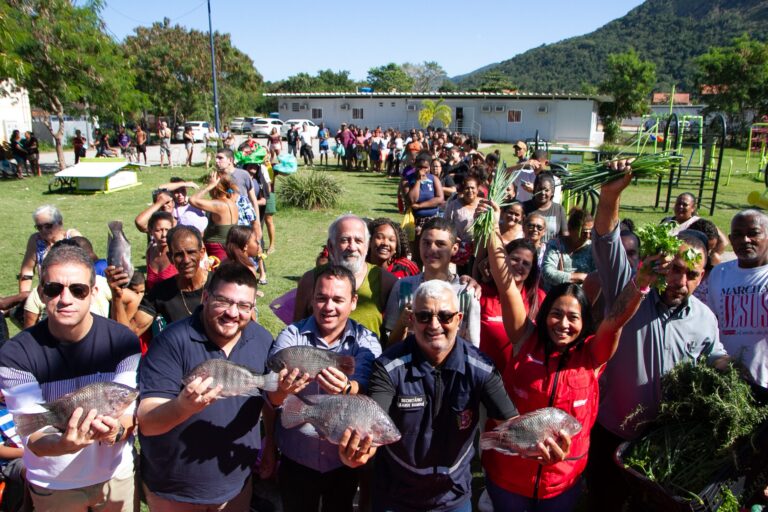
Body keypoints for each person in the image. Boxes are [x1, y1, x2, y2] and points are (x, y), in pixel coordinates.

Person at [481, 197, 647, 511]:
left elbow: (616, 320)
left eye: (573, 318)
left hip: (562, 485)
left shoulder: (592, 355)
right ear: (544, 315)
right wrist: (491, 228)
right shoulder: (525, 338)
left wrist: (644, 280)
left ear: (585, 323)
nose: (563, 324)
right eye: (556, 314)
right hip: (507, 479)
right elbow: (506, 286)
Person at [342, 281, 565, 511]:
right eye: (424, 316)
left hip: (452, 497)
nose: (435, 325)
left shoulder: (481, 367)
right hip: (395, 496)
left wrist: (537, 446)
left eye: (445, 316)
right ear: (411, 320)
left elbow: (511, 426)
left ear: (459, 319)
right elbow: (371, 424)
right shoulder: (388, 367)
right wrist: (360, 452)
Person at [586, 161, 729, 512]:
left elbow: (714, 355)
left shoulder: (705, 319)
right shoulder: (631, 288)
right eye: (675, 269)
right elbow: (605, 237)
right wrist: (611, 195)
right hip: (611, 432)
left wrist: (730, 368)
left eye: (691, 274)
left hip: (664, 441)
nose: (681, 280)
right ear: (664, 260)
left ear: (703, 277)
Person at [0, 244, 140, 512]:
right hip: (53, 484)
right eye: (54, 289)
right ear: (41, 293)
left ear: (94, 292)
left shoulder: (123, 342)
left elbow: (128, 409)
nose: (66, 299)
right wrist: (63, 444)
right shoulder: (15, 354)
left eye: (78, 290)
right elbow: (33, 435)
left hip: (115, 476)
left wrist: (116, 431)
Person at [137, 261, 274, 510]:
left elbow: (269, 401)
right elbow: (146, 421)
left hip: (236, 486)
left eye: (243, 306)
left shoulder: (261, 339)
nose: (233, 313)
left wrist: (271, 445)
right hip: (175, 492)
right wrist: (182, 407)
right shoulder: (171, 342)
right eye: (223, 301)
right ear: (206, 296)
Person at [270, 265, 381, 511]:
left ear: (353, 302)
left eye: (338, 299)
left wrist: (348, 388)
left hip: (341, 461)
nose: (328, 307)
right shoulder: (291, 336)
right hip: (297, 457)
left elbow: (368, 384)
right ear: (312, 299)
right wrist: (283, 389)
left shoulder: (366, 340)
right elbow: (272, 397)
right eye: (321, 298)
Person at [294, 214, 397, 339]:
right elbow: (296, 330)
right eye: (344, 240)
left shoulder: (385, 281)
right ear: (331, 246)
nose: (352, 247)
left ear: (367, 245)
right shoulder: (311, 280)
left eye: (358, 241)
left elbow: (396, 334)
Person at [384, 217, 481, 347]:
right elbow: (388, 343)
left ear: (455, 248)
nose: (432, 249)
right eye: (426, 243)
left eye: (440, 244)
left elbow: (472, 347)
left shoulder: (466, 293)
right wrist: (403, 324)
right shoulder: (403, 287)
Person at [108, 225, 209, 337]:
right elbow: (127, 335)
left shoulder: (218, 284)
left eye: (191, 252)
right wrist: (116, 296)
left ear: (202, 252)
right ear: (170, 257)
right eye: (179, 255)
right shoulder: (161, 292)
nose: (186, 260)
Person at [707, 209, 768, 392]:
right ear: (731, 239)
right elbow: (711, 324)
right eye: (738, 235)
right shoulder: (719, 273)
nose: (745, 240)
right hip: (729, 384)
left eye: (753, 233)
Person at [474, 238, 544, 372]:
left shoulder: (539, 298)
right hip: (485, 378)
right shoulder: (481, 293)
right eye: (515, 259)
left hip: (521, 381)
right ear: (502, 261)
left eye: (526, 263)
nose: (520, 265)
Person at [0, 205, 81, 318]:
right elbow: (27, 271)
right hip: (43, 292)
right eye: (39, 227)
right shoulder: (36, 240)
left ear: (60, 223)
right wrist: (25, 298)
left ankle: (7, 306)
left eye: (48, 226)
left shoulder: (72, 237)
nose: (43, 230)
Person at [403, 152, 444, 266]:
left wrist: (421, 205)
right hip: (416, 221)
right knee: (417, 253)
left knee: (434, 251)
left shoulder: (433, 179)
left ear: (429, 167)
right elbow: (412, 200)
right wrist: (417, 181)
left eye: (425, 167)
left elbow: (439, 198)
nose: (422, 170)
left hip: (432, 219)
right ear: (415, 166)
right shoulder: (408, 179)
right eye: (419, 167)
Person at [190, 174, 240, 263]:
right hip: (230, 245)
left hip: (217, 248)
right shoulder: (232, 202)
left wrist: (209, 186)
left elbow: (192, 200)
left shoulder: (219, 204)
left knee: (217, 275)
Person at [540, 207, 595, 290]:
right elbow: (547, 272)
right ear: (570, 229)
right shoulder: (556, 245)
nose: (587, 236)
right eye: (583, 232)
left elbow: (597, 276)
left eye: (590, 232)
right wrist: (578, 277)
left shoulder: (592, 248)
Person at [443, 175, 481, 275]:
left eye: (473, 188)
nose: (470, 190)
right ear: (463, 190)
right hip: (461, 248)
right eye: (467, 188)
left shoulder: (483, 205)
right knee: (463, 276)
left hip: (479, 247)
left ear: (477, 189)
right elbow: (446, 224)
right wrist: (454, 237)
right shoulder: (454, 205)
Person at [522, 172, 566, 244]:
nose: (542, 193)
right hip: (527, 251)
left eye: (546, 190)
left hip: (550, 252)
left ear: (552, 192)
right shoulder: (524, 207)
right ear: (534, 189)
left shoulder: (559, 209)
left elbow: (564, 235)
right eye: (539, 189)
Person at [225, 225, 267, 292]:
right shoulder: (249, 269)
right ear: (245, 246)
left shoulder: (225, 262)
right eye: (256, 241)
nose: (259, 244)